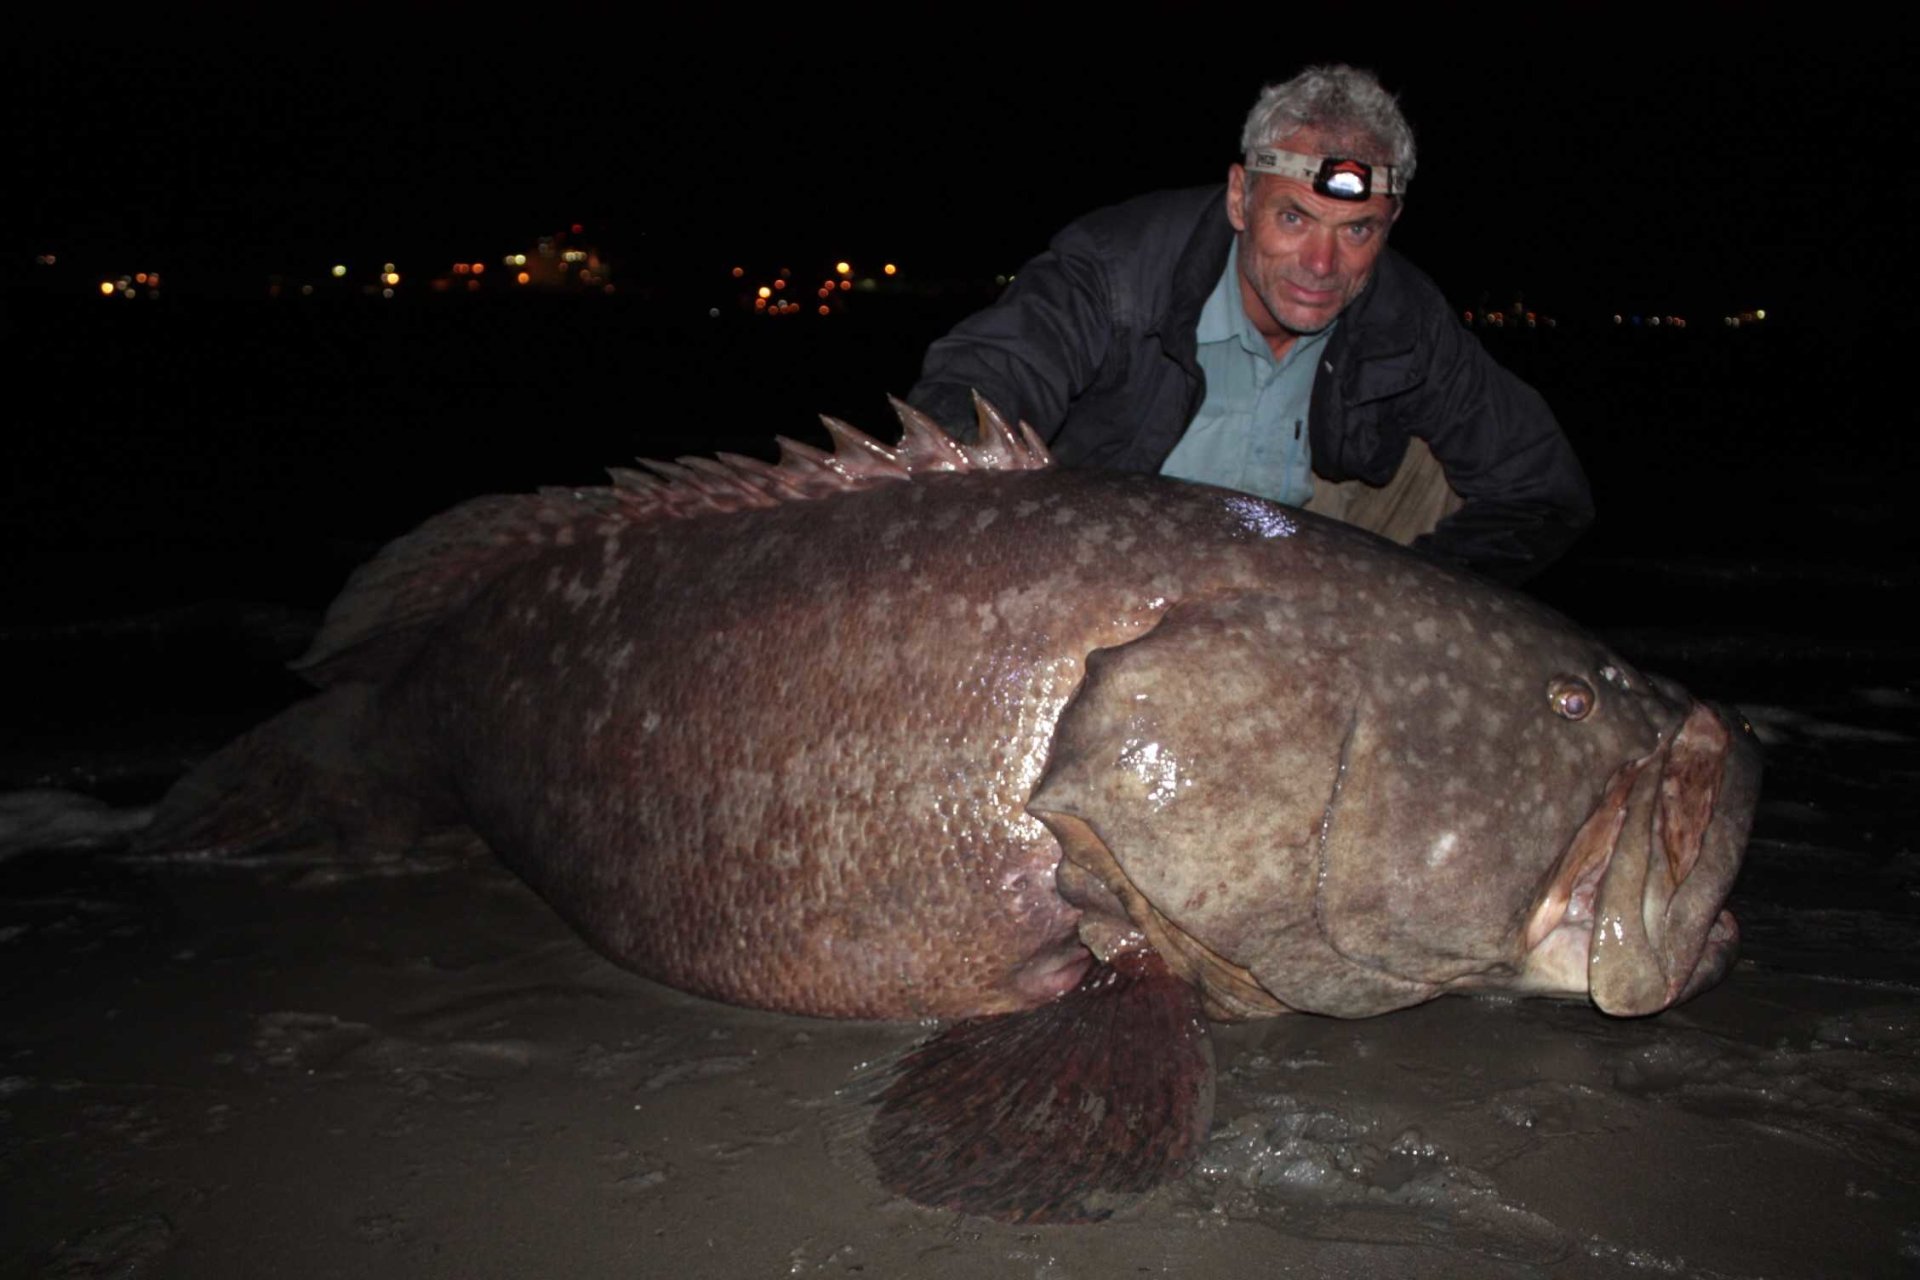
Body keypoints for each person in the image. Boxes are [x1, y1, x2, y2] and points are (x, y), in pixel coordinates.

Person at [907, 65, 1592, 585]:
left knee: (1437, 473)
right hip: (1109, 566)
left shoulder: (1409, 317)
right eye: (1293, 218)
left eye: (1357, 230)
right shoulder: (1114, 269)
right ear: (1241, 197)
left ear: (1390, 227)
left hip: (1292, 575)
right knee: (972, 463)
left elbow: (1543, 492)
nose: (1322, 263)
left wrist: (1405, 594)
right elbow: (980, 381)